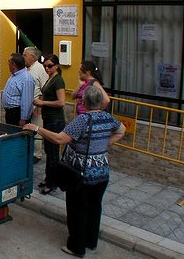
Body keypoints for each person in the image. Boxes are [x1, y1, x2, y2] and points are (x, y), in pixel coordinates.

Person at [24, 85, 126, 258]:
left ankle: (76, 247)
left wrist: (36, 129)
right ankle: (91, 242)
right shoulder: (107, 117)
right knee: (94, 208)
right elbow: (122, 129)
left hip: (82, 175)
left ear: (84, 101)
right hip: (102, 174)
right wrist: (105, 144)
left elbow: (60, 138)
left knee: (77, 210)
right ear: (100, 102)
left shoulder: (83, 119)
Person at [33, 54, 66, 195]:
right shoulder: (50, 78)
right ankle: (48, 179)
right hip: (48, 119)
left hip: (55, 121)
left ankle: (53, 183)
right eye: (45, 65)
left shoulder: (58, 81)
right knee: (49, 151)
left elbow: (61, 102)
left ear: (56, 66)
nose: (46, 68)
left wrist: (42, 103)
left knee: (53, 153)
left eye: (50, 66)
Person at [24, 46, 49, 164]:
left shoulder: (40, 69)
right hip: (26, 105)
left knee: (37, 128)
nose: (23, 57)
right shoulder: (25, 69)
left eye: (25, 55)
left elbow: (45, 89)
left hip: (36, 105)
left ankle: (37, 154)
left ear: (33, 57)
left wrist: (39, 107)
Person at [2, 53, 35, 126]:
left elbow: (27, 101)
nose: (8, 64)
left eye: (9, 62)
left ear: (13, 65)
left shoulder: (26, 79)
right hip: (10, 113)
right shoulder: (14, 75)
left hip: (17, 114)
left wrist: (23, 119)